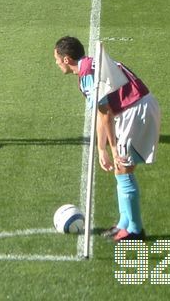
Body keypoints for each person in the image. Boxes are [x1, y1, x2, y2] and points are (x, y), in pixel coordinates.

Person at [53, 36, 161, 242]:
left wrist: (111, 148)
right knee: (122, 171)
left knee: (123, 168)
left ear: (67, 59)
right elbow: (100, 115)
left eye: (57, 59)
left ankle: (136, 230)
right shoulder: (92, 65)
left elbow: (105, 114)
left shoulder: (88, 76)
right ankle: (124, 223)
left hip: (134, 111)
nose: (56, 64)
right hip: (138, 107)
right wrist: (101, 148)